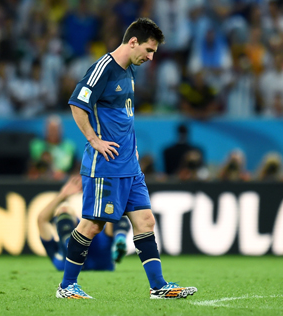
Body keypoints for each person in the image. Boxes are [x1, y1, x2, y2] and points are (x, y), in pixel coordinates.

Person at [57, 18, 197, 299]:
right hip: (106, 166)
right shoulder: (103, 69)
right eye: (148, 49)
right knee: (92, 225)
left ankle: (158, 286)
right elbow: (77, 103)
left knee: (145, 221)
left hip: (130, 166)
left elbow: (123, 119)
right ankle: (66, 286)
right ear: (133, 42)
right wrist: (94, 140)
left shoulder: (129, 70)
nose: (150, 56)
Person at [38, 175, 131, 271]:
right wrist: (63, 195)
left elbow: (42, 220)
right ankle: (120, 239)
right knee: (112, 211)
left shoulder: (54, 251)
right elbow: (41, 220)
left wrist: (62, 196)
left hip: (69, 260)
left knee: (64, 210)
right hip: (102, 261)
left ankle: (71, 247)